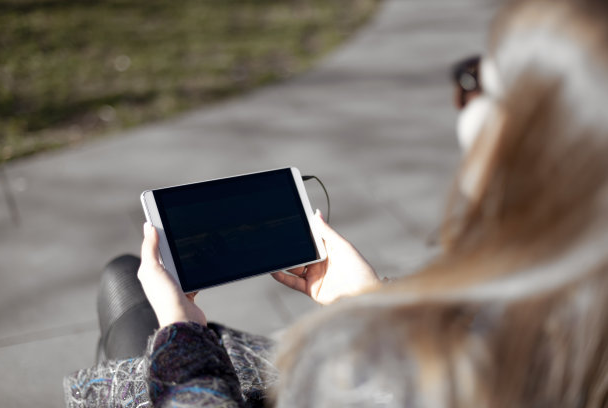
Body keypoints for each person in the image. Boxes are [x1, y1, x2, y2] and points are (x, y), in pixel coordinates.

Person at [64, 0, 608, 406]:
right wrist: (368, 299)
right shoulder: (567, 323)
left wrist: (182, 332)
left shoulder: (379, 380)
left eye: (475, 82)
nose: (465, 103)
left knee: (125, 288)